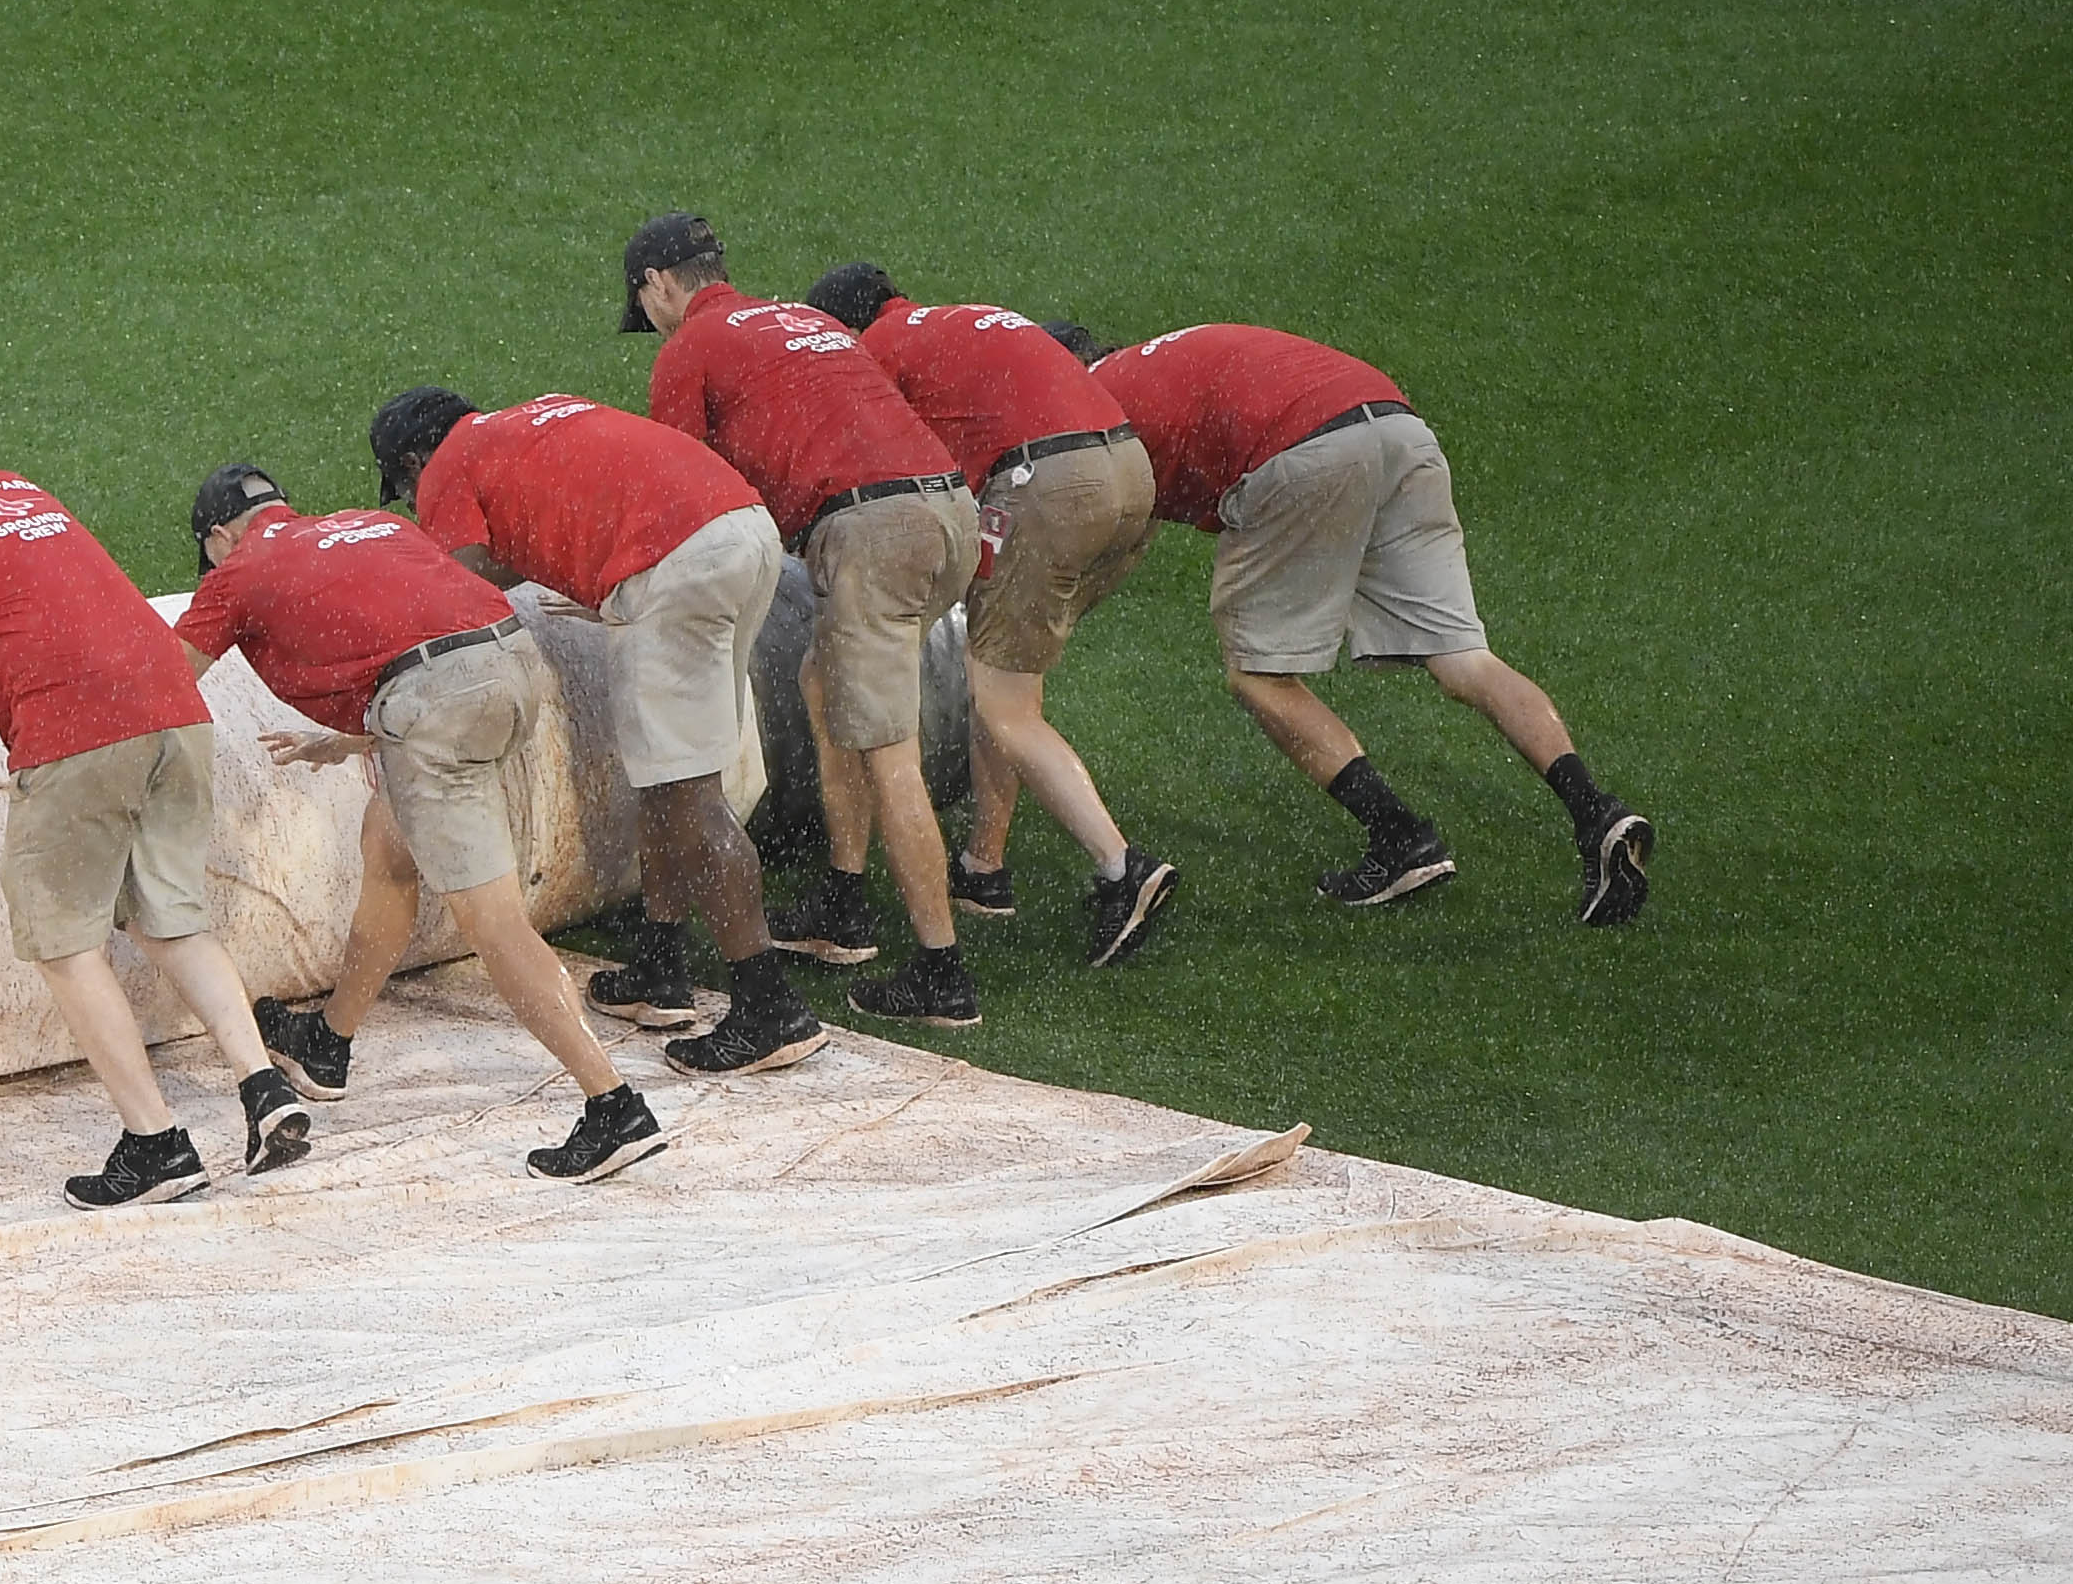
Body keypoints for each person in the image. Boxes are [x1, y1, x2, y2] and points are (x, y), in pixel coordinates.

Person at [0, 435, 318, 1206]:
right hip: (176, 708)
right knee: (172, 916)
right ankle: (262, 1087)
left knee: (63, 941)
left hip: (76, 727)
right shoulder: (13, 490)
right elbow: (19, 603)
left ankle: (157, 1144)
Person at [1076, 320, 1655, 923]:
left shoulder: (1094, 402)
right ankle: (1597, 814)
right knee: (1465, 659)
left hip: (1304, 449)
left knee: (1258, 675)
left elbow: (1116, 537)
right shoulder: (1159, 363)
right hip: (1399, 429)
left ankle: (1400, 838)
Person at [178, 468, 667, 1181]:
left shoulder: (240, 570)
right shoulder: (370, 526)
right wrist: (362, 737)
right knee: (389, 844)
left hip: (436, 704)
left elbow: (164, 679)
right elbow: (428, 632)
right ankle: (329, 1042)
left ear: (220, 536)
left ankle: (613, 1104)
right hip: (512, 662)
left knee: (494, 924)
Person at [368, 383, 830, 1075]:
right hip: (744, 532)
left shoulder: (450, 464)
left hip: (671, 566)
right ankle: (658, 968)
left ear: (413, 459)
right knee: (671, 785)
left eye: (406, 489)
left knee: (692, 797)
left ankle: (770, 1008)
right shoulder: (531, 421)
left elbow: (455, 586)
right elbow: (521, 542)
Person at [620, 214, 984, 1028]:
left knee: (889, 751)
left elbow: (683, 487)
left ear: (659, 285)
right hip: (950, 510)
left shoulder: (691, 349)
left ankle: (942, 972)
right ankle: (842, 902)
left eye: (643, 305)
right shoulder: (809, 320)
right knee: (824, 684)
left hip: (870, 532)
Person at [797, 268, 1179, 967]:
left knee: (1005, 706)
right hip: (1129, 469)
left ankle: (1122, 868)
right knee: (1005, 679)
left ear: (847, 330)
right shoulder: (953, 318)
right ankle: (984, 868)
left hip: (1051, 481)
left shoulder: (878, 351)